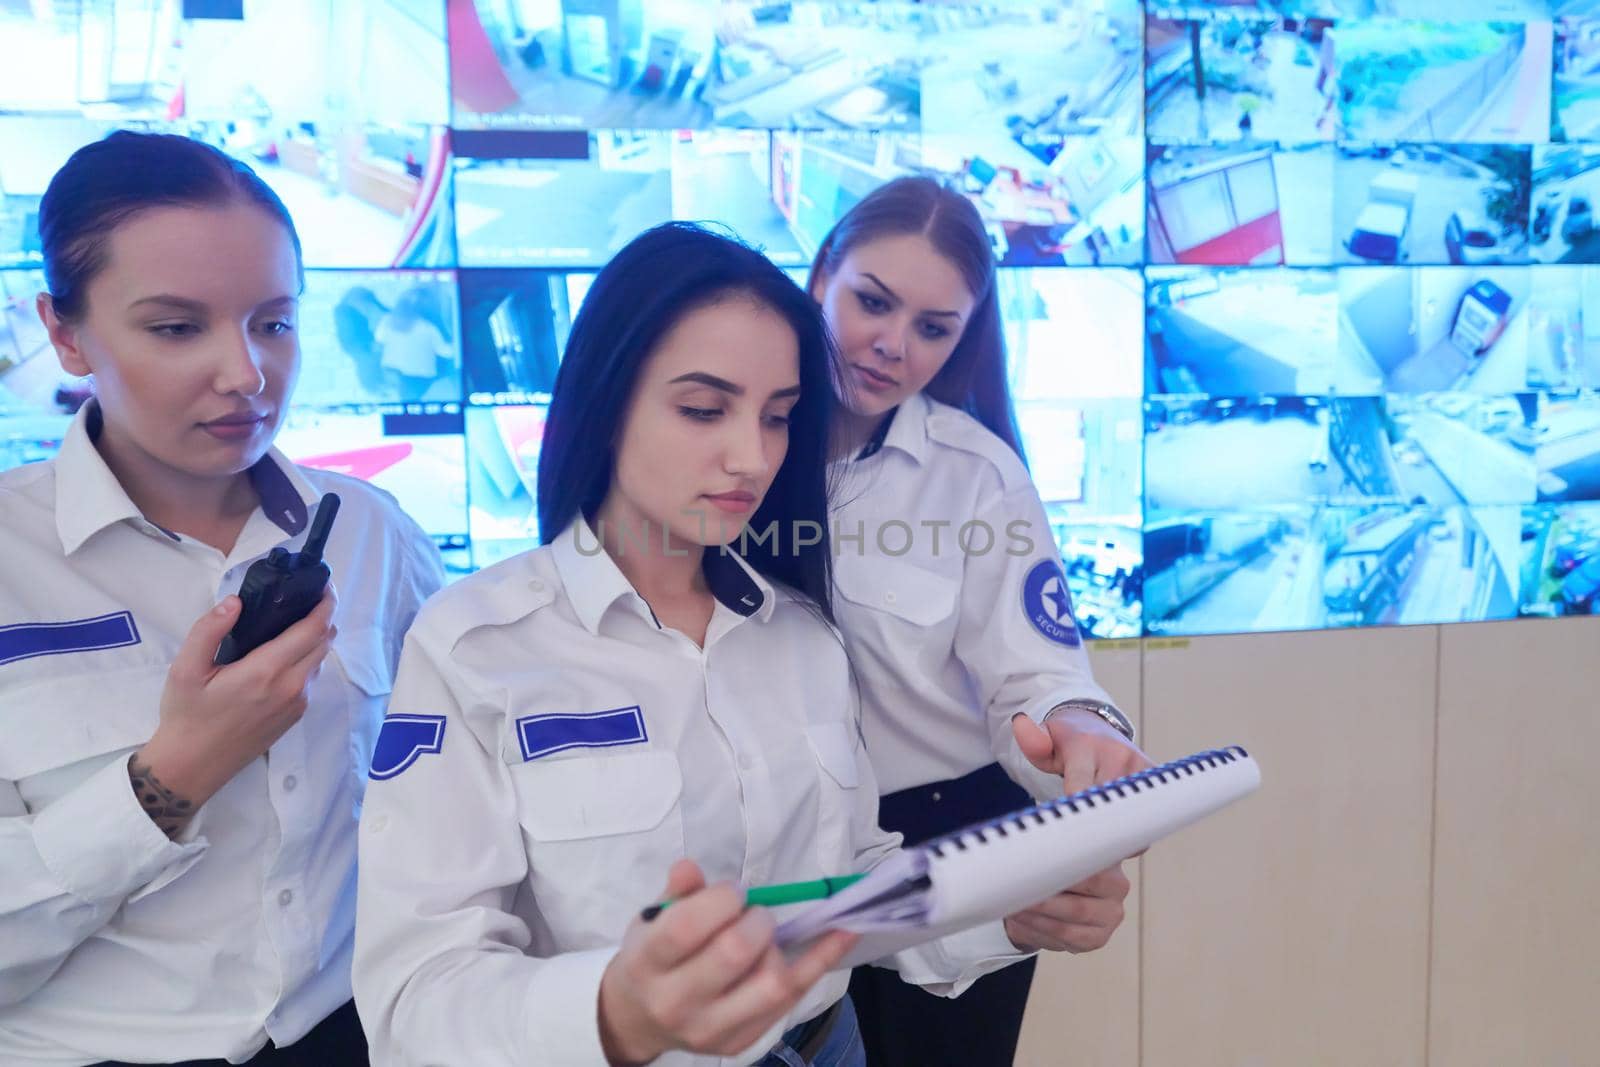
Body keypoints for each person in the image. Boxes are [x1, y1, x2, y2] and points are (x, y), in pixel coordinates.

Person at [351, 222, 1129, 1067]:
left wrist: (1007, 915)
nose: (751, 456)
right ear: (607, 400)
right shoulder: (477, 646)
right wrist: (615, 1012)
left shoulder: (800, 635)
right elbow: (415, 998)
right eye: (702, 408)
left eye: (780, 417)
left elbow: (854, 894)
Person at [0, 130, 444, 1066]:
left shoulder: (371, 533)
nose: (247, 373)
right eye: (175, 327)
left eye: (274, 322)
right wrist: (176, 772)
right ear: (65, 331)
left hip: (358, 1034)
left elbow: (453, 805)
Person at [808, 175, 1150, 1066]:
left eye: (933, 327)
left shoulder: (977, 475)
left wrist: (1081, 726)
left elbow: (1041, 673)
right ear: (820, 276)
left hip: (955, 846)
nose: (892, 346)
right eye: (872, 303)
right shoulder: (738, 455)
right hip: (783, 842)